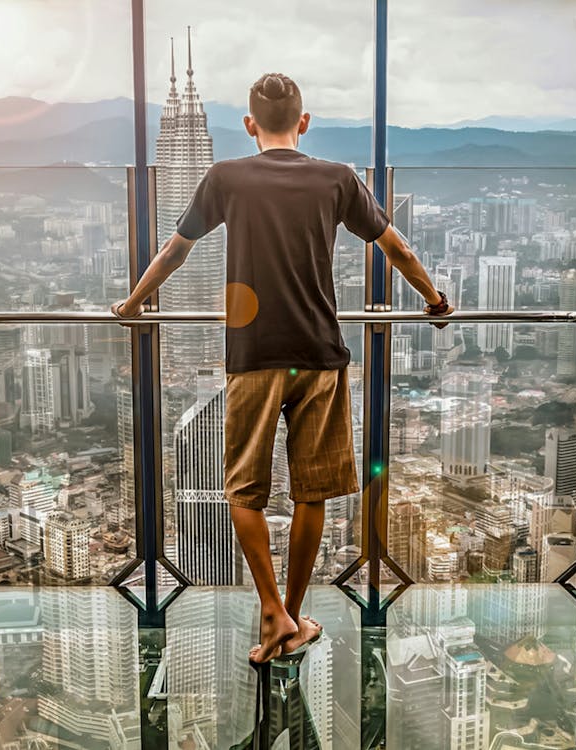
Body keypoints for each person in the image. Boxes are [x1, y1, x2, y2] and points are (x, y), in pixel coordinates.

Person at [113, 73, 453, 664]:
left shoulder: (226, 178)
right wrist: (434, 299)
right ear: (304, 122)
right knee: (311, 492)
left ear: (249, 125)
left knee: (243, 490)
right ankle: (292, 619)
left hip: (252, 357)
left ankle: (270, 608)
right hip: (319, 356)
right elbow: (394, 245)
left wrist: (134, 303)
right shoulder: (337, 178)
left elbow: (176, 249)